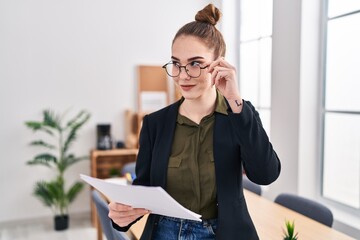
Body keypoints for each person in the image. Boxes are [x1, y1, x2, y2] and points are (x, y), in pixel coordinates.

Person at [108, 4, 281, 240]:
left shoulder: (239, 115)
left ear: (218, 65)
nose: (182, 75)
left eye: (195, 63)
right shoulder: (155, 124)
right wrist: (123, 215)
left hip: (224, 234)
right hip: (165, 233)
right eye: (176, 64)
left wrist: (235, 100)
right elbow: (145, 189)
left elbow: (266, 174)